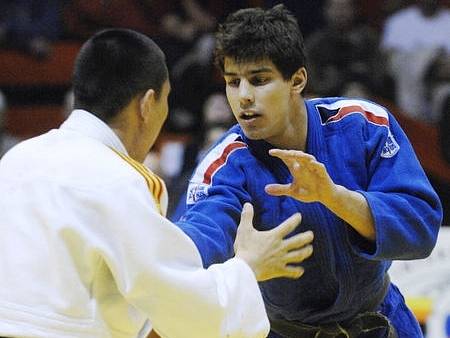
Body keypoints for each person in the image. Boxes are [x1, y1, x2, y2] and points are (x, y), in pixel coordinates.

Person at [0, 28, 315, 338]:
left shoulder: (15, 159)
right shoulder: (119, 180)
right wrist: (248, 266)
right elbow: (185, 312)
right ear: (147, 104)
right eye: (166, 101)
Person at [175, 5, 443, 338]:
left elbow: (422, 226)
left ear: (297, 80)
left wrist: (335, 197)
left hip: (380, 320)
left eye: (259, 80)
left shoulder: (364, 125)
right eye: (233, 82)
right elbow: (196, 236)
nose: (243, 96)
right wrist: (238, 263)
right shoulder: (225, 166)